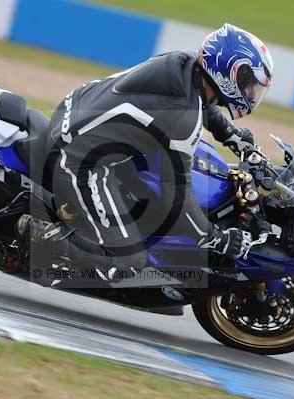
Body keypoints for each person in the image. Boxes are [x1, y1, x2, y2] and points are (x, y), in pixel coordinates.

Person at [17, 23, 274, 284]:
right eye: (248, 84)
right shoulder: (183, 119)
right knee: (128, 261)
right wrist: (219, 239)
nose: (251, 94)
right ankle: (39, 235)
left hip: (75, 110)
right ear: (228, 73)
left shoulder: (184, 63)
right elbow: (177, 201)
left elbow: (203, 105)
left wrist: (229, 135)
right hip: (79, 163)